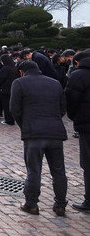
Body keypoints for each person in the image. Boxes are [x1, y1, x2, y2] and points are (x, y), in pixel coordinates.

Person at [10, 60, 68, 217]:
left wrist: (25, 125)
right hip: (55, 132)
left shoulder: (19, 83)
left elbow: (14, 109)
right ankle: (61, 204)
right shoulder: (55, 83)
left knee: (34, 170)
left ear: (22, 71)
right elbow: (63, 108)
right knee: (59, 171)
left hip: (33, 133)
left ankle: (32, 203)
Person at [64, 50, 90, 212]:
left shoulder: (78, 75)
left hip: (87, 125)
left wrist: (75, 118)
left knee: (88, 163)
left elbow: (71, 101)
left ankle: (89, 201)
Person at [0, 54, 19, 126]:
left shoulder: (5, 68)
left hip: (5, 89)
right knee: (11, 105)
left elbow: (1, 79)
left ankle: (9, 120)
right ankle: (12, 119)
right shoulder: (14, 67)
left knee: (6, 105)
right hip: (13, 88)